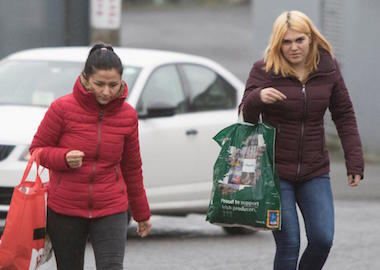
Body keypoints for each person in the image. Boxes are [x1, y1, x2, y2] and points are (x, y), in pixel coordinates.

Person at [239, 10, 364, 270]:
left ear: (311, 38)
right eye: (286, 42)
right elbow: (247, 116)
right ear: (277, 43)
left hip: (314, 169)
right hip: (275, 172)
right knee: (289, 243)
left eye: (299, 40)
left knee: (322, 239)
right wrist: (258, 97)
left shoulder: (327, 67)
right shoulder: (264, 69)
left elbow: (344, 114)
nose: (293, 47)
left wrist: (354, 161)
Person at [30, 43, 152, 270]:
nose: (106, 91)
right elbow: (37, 150)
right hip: (65, 208)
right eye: (99, 84)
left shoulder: (128, 116)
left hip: (111, 207)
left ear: (122, 82)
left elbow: (132, 167)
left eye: (113, 85)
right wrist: (63, 158)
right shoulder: (62, 109)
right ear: (85, 79)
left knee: (112, 266)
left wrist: (142, 213)